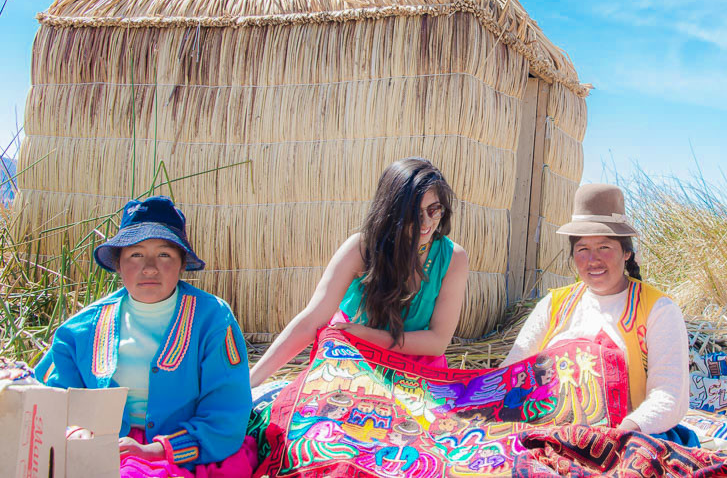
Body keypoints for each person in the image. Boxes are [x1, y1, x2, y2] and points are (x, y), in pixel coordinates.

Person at [34, 196, 255, 477]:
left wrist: (157, 450)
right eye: (136, 254)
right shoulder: (79, 331)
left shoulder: (213, 320)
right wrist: (77, 433)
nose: (149, 267)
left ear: (181, 263)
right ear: (118, 264)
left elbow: (227, 412)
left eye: (164, 254)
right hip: (101, 449)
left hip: (184, 453)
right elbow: (50, 399)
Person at [501, 183, 698, 446]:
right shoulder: (555, 304)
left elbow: (669, 395)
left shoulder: (657, 310)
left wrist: (623, 432)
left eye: (604, 247)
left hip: (628, 436)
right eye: (582, 249)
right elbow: (513, 368)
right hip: (549, 431)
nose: (593, 260)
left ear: (627, 252)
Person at [249, 157, 469, 387]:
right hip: (356, 357)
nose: (426, 222)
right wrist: (249, 383)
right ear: (394, 211)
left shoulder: (453, 258)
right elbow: (310, 321)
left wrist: (367, 335)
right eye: (414, 212)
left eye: (434, 210)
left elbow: (437, 342)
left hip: (414, 366)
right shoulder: (361, 248)